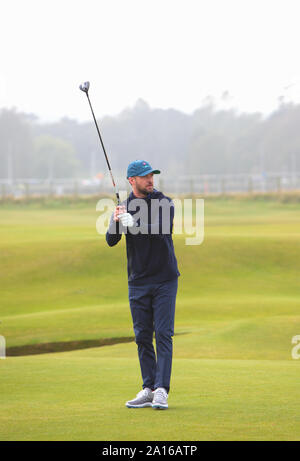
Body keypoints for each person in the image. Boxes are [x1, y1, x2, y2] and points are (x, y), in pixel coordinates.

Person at [106, 160, 180, 410]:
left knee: (163, 333)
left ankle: (161, 390)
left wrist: (134, 224)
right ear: (131, 181)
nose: (151, 180)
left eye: (152, 176)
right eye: (145, 177)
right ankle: (148, 388)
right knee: (142, 336)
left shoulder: (164, 203)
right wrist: (117, 220)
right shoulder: (124, 206)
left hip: (164, 279)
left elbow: (160, 231)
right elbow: (111, 240)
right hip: (137, 281)